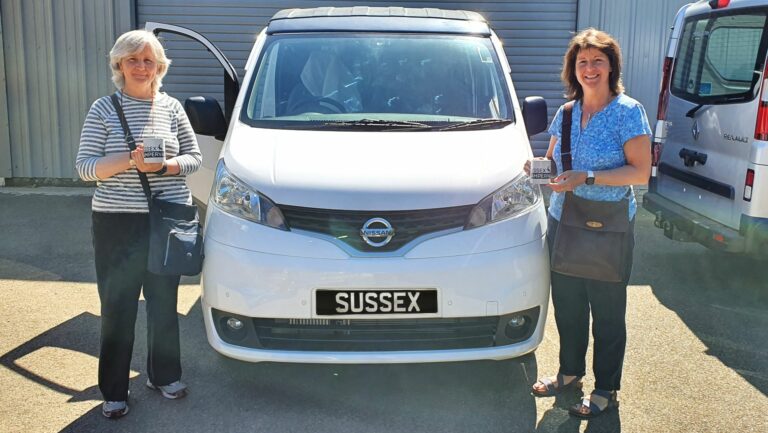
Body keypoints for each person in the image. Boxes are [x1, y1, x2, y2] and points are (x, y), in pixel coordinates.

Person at [75, 30, 201, 419]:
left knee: (164, 305)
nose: (142, 67)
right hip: (117, 223)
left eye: (149, 60)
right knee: (118, 307)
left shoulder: (172, 108)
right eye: (133, 59)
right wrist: (130, 161)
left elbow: (194, 157)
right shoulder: (103, 109)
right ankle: (114, 390)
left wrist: (164, 166)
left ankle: (163, 376)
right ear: (119, 65)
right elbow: (85, 169)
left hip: (166, 220)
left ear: (160, 67)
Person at [525, 28, 651, 418]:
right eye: (582, 62)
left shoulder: (628, 112)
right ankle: (569, 374)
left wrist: (588, 177)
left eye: (598, 60)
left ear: (612, 66)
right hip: (564, 220)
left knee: (608, 313)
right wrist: (537, 169)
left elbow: (640, 172)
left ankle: (607, 388)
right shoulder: (566, 113)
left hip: (610, 226)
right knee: (569, 305)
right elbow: (552, 160)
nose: (590, 68)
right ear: (572, 69)